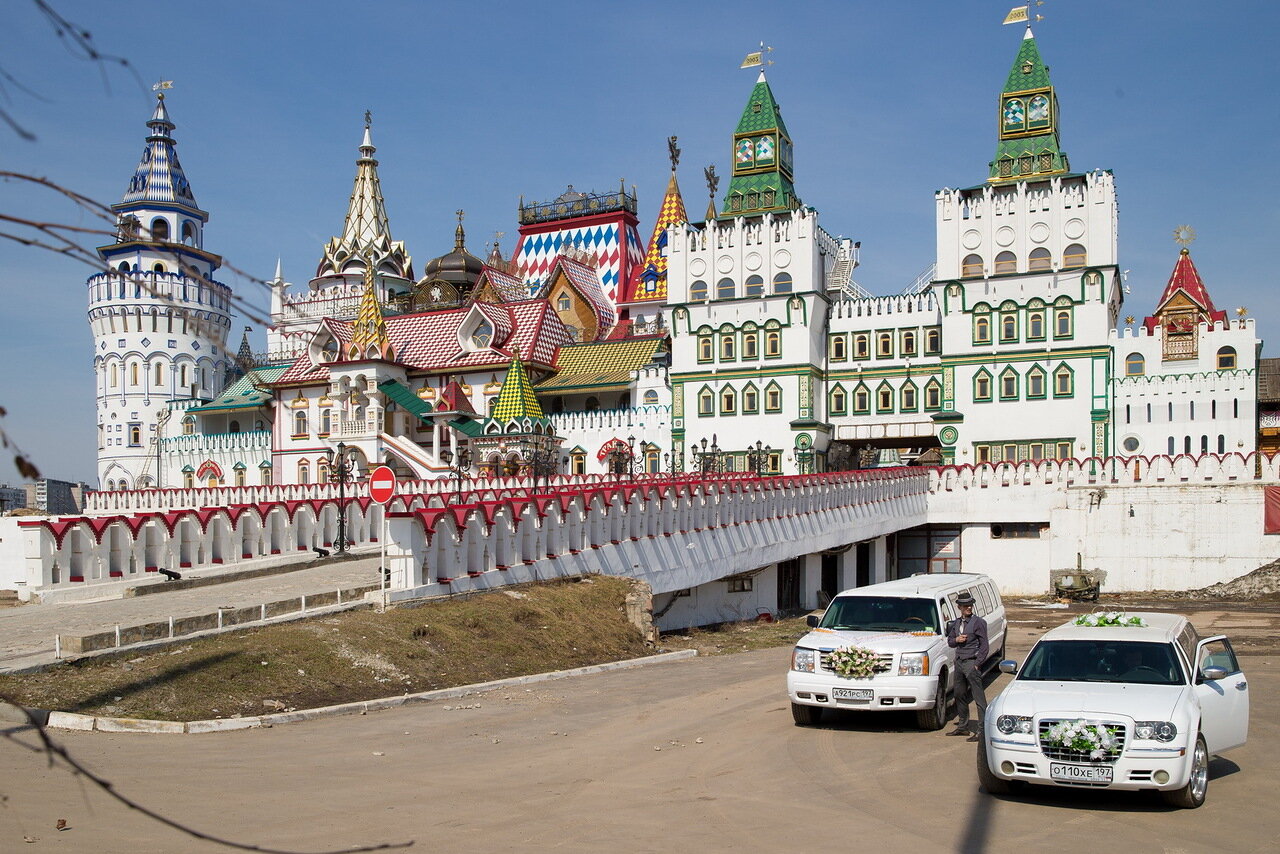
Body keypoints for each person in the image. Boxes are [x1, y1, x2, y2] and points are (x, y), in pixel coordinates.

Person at [945, 591, 989, 742]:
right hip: (959, 662)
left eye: (970, 605)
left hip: (971, 662)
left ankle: (982, 730)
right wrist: (957, 639)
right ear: (959, 607)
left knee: (978, 698)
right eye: (965, 606)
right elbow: (950, 642)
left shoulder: (978, 622)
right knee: (959, 694)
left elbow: (984, 646)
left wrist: (977, 664)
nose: (969, 608)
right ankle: (963, 727)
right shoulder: (957, 623)